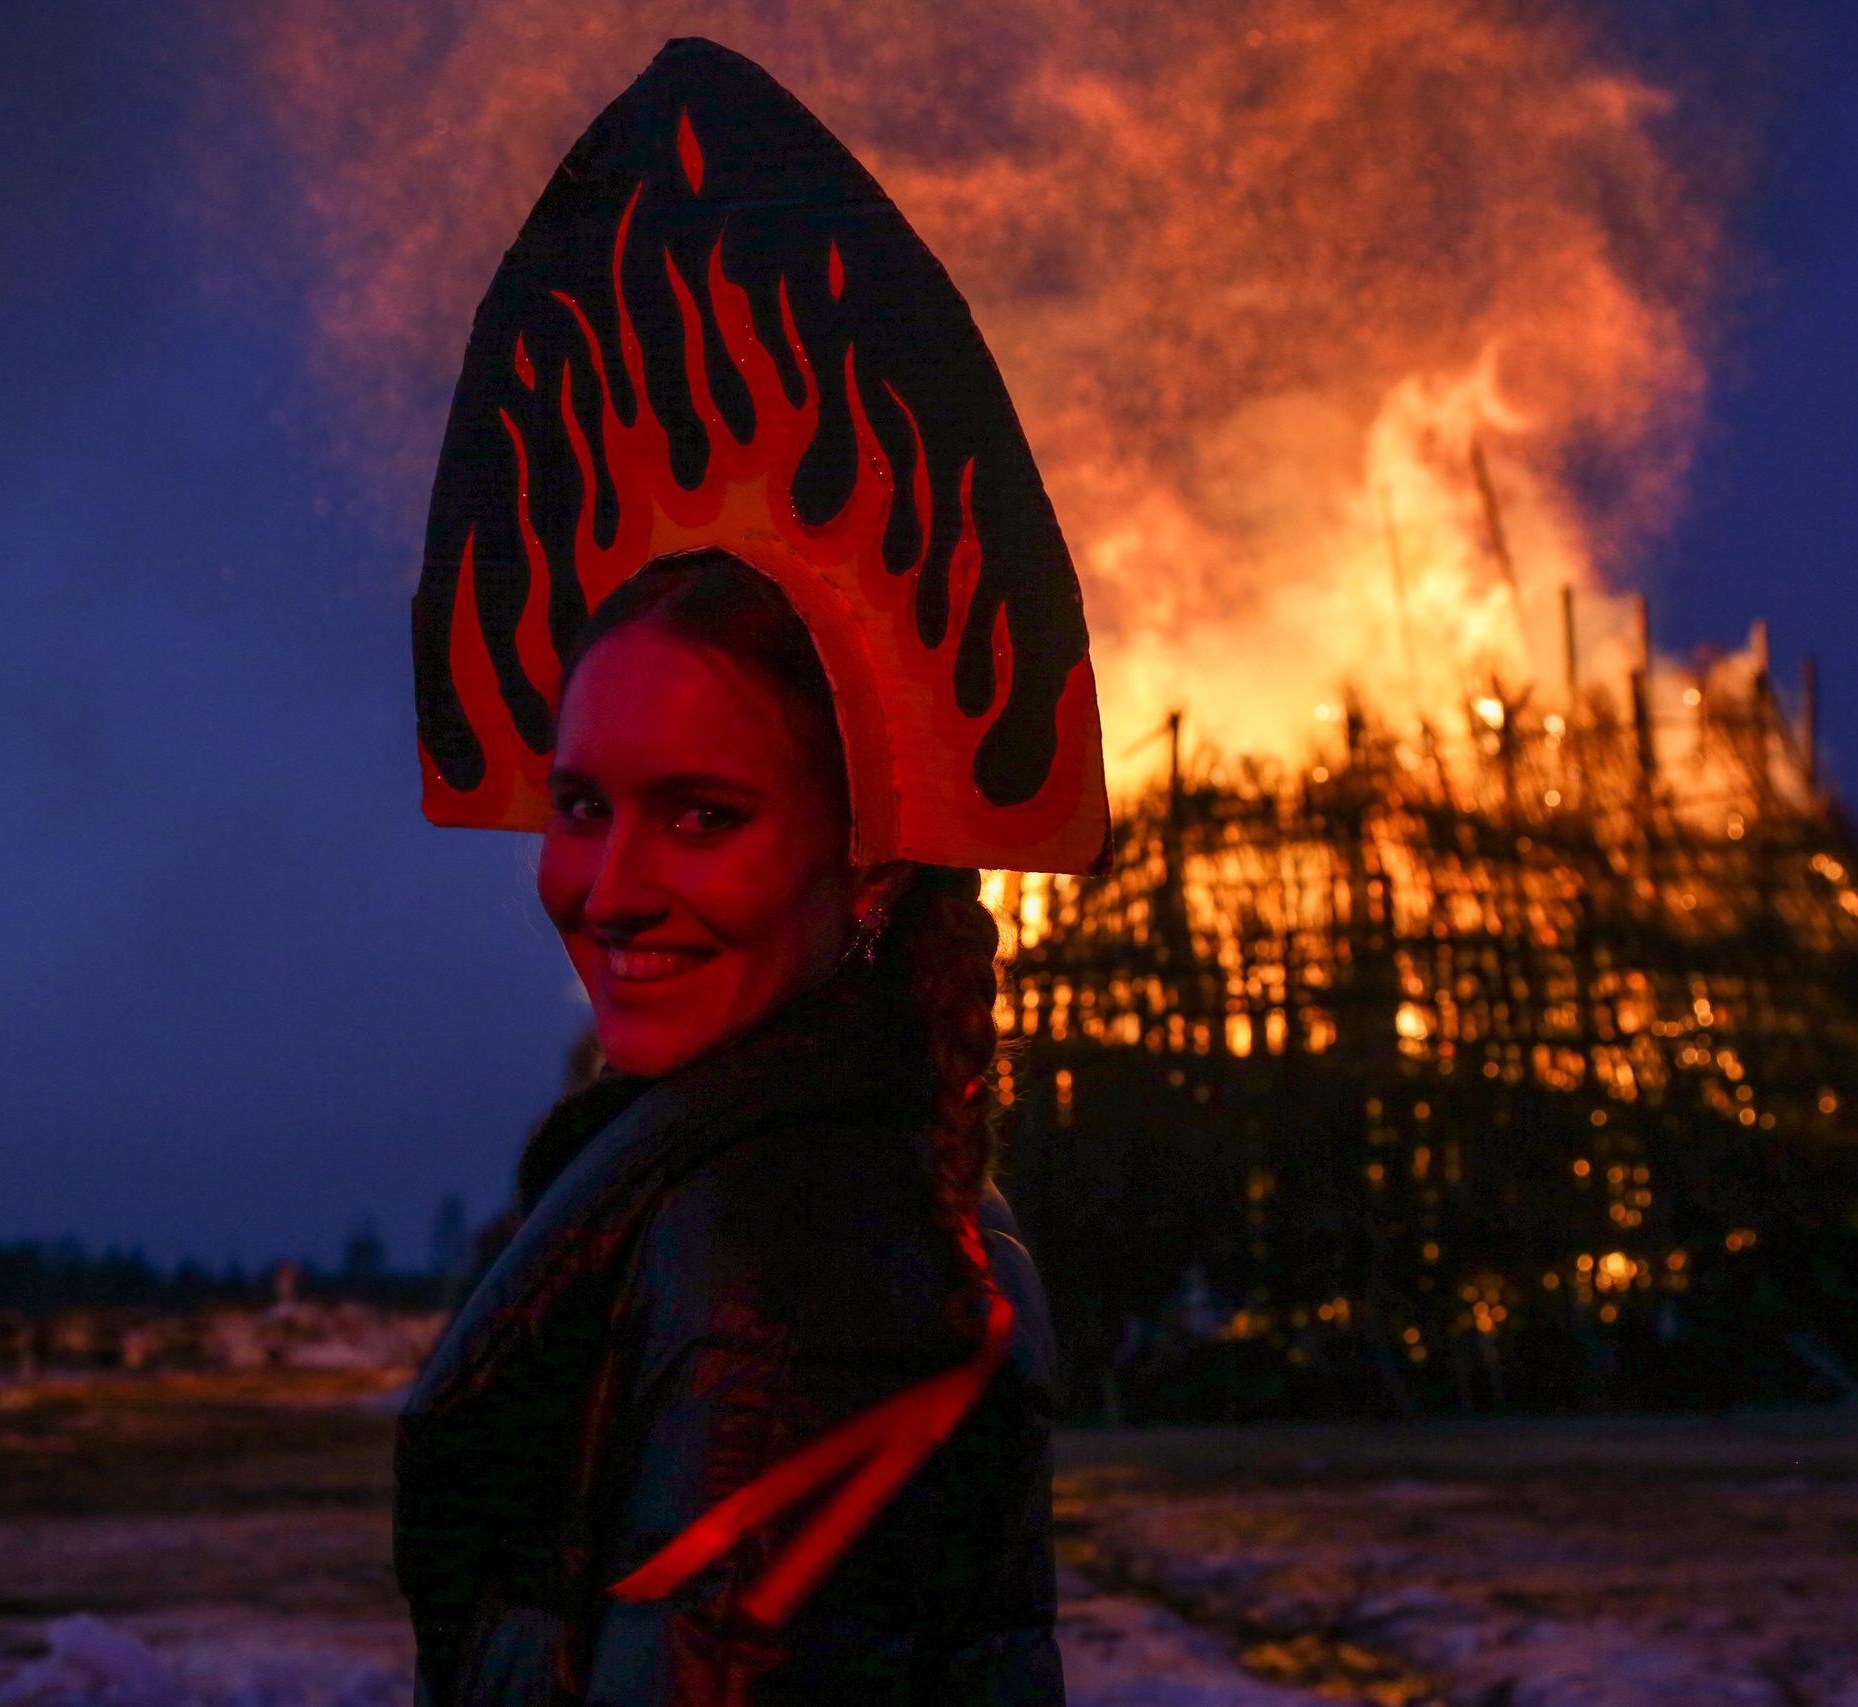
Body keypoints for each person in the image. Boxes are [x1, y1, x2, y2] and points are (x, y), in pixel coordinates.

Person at [392, 38, 1110, 1707]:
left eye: (702, 814)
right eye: (582, 805)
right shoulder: (761, 1169)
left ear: (868, 872)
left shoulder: (800, 1238)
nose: (608, 885)